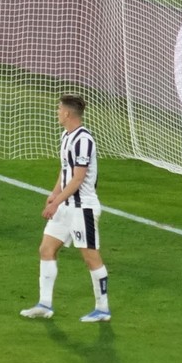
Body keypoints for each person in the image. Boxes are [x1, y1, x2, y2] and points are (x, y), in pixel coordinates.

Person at [21, 95, 111, 322]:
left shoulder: (84, 140)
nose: (57, 112)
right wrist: (54, 194)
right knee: (46, 249)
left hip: (83, 209)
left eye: (59, 109)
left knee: (91, 258)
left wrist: (57, 203)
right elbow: (65, 171)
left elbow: (78, 179)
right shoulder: (66, 136)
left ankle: (103, 309)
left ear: (68, 114)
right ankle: (45, 304)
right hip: (66, 206)